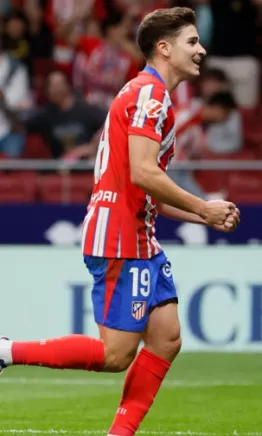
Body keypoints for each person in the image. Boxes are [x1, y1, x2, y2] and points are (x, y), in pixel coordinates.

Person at [0, 7, 240, 436]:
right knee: (116, 355)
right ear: (164, 48)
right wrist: (203, 207)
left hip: (140, 235)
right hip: (119, 237)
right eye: (191, 42)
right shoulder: (150, 95)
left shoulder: (150, 94)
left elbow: (150, 190)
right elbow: (143, 173)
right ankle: (7, 350)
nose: (201, 50)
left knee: (166, 338)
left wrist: (205, 217)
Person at [24, 69, 107, 159]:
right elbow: (21, 127)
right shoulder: (45, 115)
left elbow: (110, 122)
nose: (54, 90)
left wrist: (91, 147)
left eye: (58, 85)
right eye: (50, 86)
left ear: (67, 86)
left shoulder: (85, 110)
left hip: (85, 167)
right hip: (58, 168)